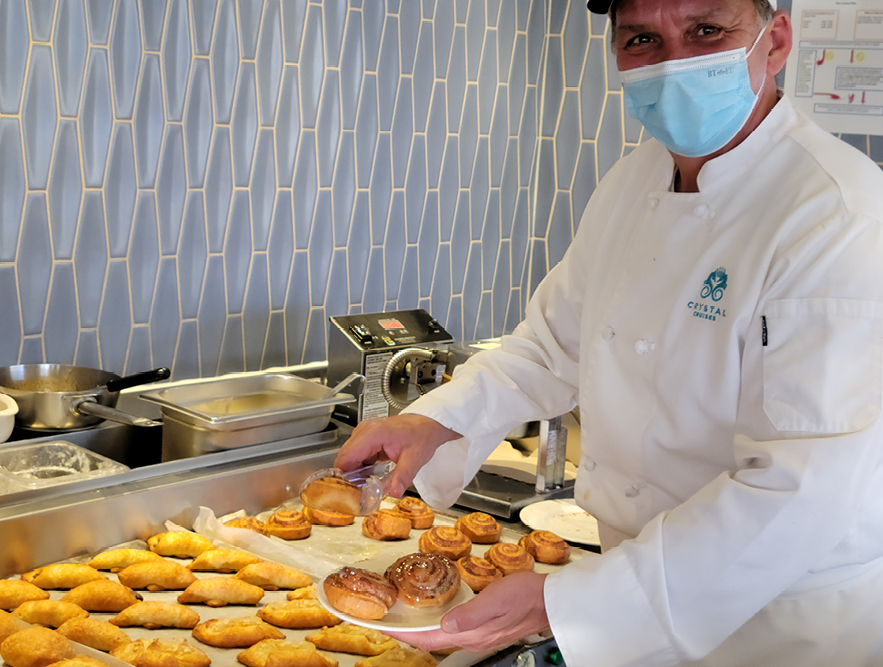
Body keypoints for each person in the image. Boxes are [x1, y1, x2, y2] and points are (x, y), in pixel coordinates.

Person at [335, 0, 883, 664]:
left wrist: (570, 602)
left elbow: (803, 488)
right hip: (631, 587)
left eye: (707, 30)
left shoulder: (837, 214)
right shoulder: (631, 182)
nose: (675, 62)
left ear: (775, 42)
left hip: (777, 624)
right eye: (642, 39)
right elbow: (552, 343)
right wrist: (437, 420)